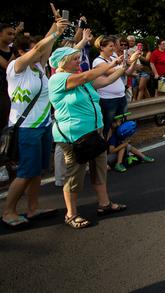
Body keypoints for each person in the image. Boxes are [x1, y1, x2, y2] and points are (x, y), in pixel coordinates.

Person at [48, 47, 129, 229]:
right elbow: (86, 77)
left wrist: (122, 67)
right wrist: (112, 63)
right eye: (75, 59)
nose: (79, 61)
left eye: (79, 58)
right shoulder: (59, 79)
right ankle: (71, 214)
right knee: (75, 174)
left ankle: (104, 203)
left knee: (100, 168)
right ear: (63, 61)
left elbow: (107, 80)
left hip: (94, 132)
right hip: (74, 136)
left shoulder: (80, 77)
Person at [2, 19, 68, 228]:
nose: (39, 52)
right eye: (33, 49)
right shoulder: (16, 67)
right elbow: (41, 46)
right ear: (22, 51)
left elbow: (44, 47)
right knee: (25, 172)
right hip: (26, 128)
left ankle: (32, 208)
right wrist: (53, 34)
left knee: (38, 170)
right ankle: (8, 211)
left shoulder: (39, 67)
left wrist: (56, 28)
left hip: (43, 126)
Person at [92, 36, 140, 139]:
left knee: (121, 125)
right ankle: (107, 149)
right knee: (108, 126)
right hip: (108, 100)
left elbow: (127, 72)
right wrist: (128, 62)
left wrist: (134, 60)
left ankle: (120, 149)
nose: (114, 48)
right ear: (102, 48)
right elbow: (110, 72)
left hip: (121, 97)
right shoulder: (98, 61)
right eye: (111, 46)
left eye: (113, 45)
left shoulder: (114, 58)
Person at [0, 23, 16, 131]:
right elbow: (7, 66)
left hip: (12, 91)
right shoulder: (14, 52)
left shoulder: (13, 50)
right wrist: (16, 54)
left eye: (13, 34)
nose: (12, 36)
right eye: (9, 34)